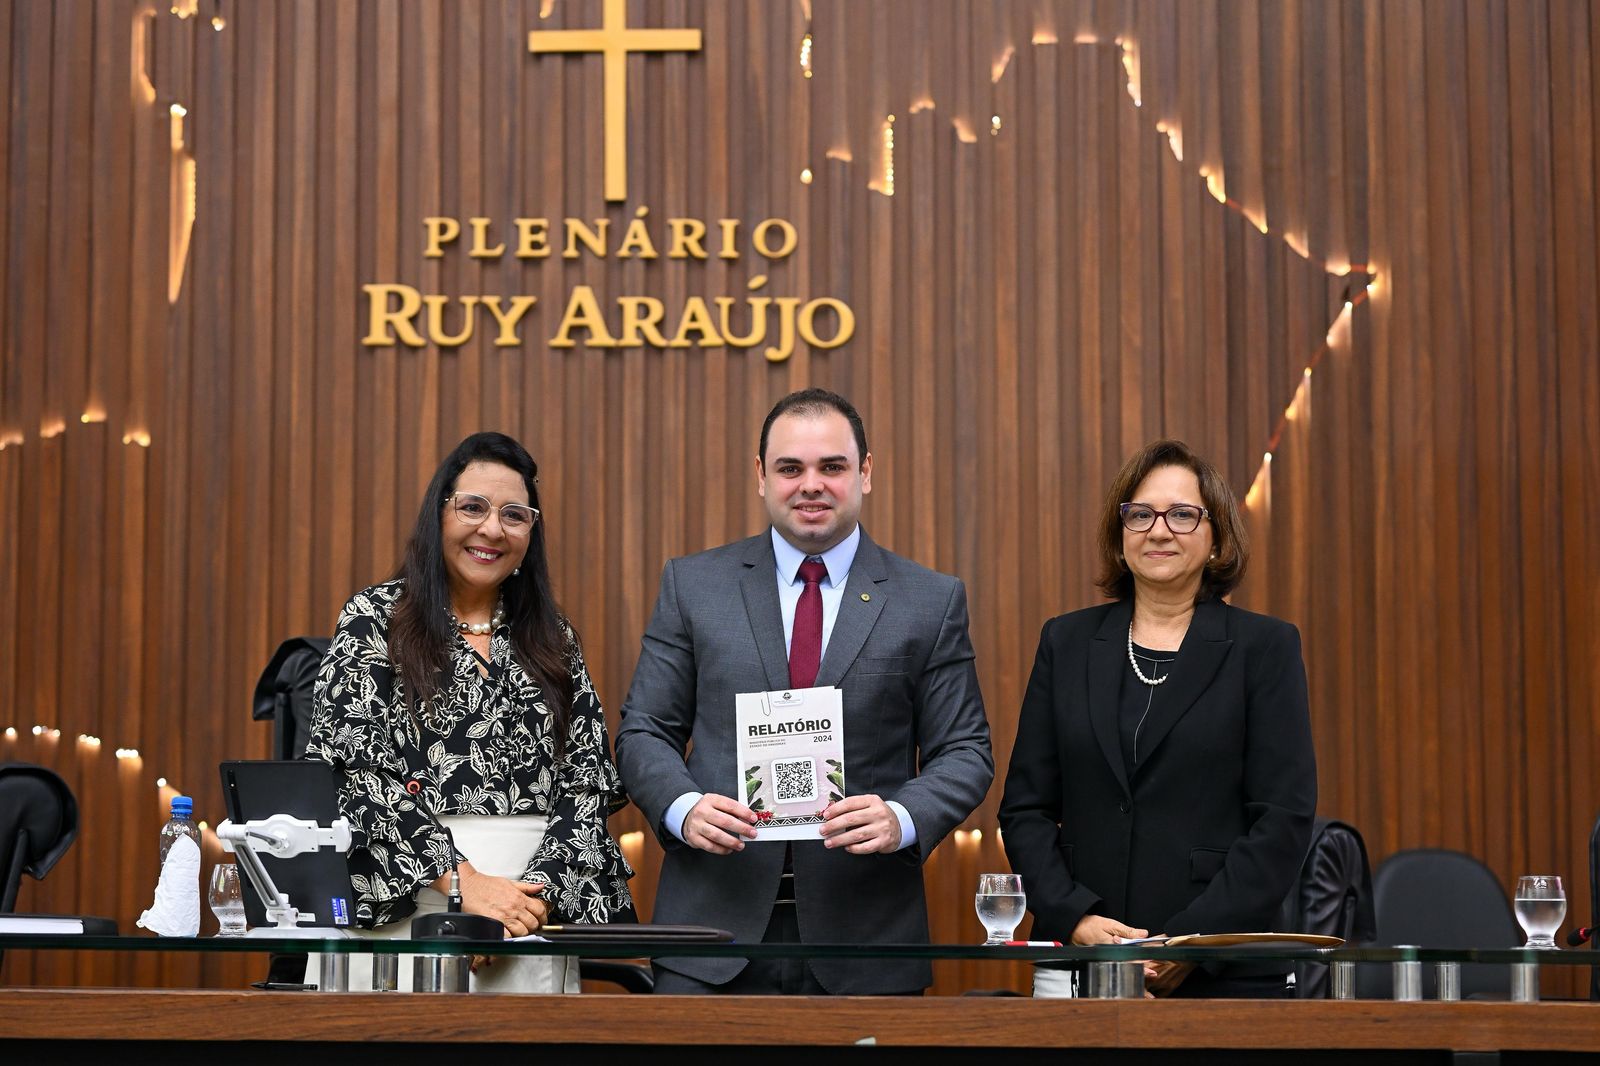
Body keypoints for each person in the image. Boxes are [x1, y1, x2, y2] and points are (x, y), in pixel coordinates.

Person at [615, 388, 993, 995]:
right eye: (790, 468)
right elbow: (643, 731)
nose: (810, 484)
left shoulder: (930, 600)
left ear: (865, 474)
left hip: (865, 938)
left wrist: (901, 817)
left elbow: (967, 750)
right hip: (711, 935)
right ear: (761, 476)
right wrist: (684, 809)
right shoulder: (693, 585)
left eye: (832, 467)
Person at [306, 431, 634, 992]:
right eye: (473, 507)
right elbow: (355, 774)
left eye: (515, 514)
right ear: (439, 514)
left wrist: (527, 901)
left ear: (532, 531)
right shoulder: (374, 619)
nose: (491, 530)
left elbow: (587, 784)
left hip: (530, 923)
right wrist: (465, 886)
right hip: (406, 909)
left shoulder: (554, 639)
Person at [998, 439, 1316, 998]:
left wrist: (1193, 943)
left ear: (1217, 538)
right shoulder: (1067, 642)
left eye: (1183, 515)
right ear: (1120, 537)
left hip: (1222, 969)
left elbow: (1282, 821)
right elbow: (1025, 808)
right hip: (1081, 960)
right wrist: (1074, 918)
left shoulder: (1264, 648)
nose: (1159, 530)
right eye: (1140, 514)